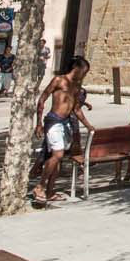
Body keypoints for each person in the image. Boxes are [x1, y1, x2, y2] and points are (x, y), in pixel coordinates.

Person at [31, 55, 90, 206]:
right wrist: (39, 123)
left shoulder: (76, 87)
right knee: (57, 154)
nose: (84, 75)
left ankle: (50, 191)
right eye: (84, 71)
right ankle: (40, 186)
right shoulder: (59, 80)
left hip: (66, 123)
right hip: (54, 120)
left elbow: (76, 109)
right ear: (76, 68)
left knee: (57, 158)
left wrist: (88, 125)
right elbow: (42, 98)